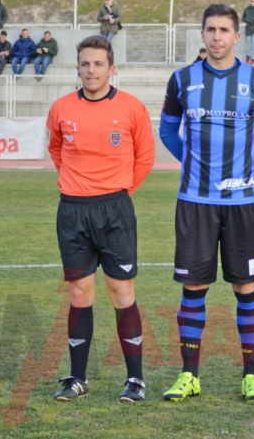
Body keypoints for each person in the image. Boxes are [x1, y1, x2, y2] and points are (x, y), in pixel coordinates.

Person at [158, 4, 254, 403]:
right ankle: (189, 375)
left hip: (242, 202)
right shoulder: (181, 80)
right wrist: (194, 162)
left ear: (236, 36)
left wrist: (244, 169)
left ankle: (251, 376)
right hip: (195, 201)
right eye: (210, 29)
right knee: (193, 287)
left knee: (246, 287)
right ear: (202, 35)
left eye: (224, 30)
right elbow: (167, 130)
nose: (216, 36)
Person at [47, 35, 155, 402]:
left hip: (115, 209)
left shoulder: (131, 108)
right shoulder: (61, 108)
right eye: (85, 64)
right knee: (79, 293)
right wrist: (79, 188)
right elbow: (56, 150)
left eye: (98, 64)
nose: (91, 70)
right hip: (72, 211)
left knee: (121, 291)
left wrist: (118, 192)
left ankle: (135, 380)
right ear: (77, 68)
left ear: (112, 69)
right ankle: (77, 378)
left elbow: (144, 158)